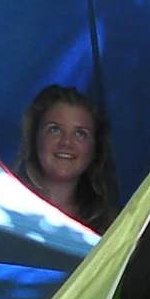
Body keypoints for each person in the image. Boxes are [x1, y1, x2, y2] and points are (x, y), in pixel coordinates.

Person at [16, 84, 116, 229]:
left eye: (80, 133)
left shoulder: (112, 227)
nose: (66, 142)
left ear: (95, 148)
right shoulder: (2, 205)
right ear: (34, 138)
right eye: (54, 129)